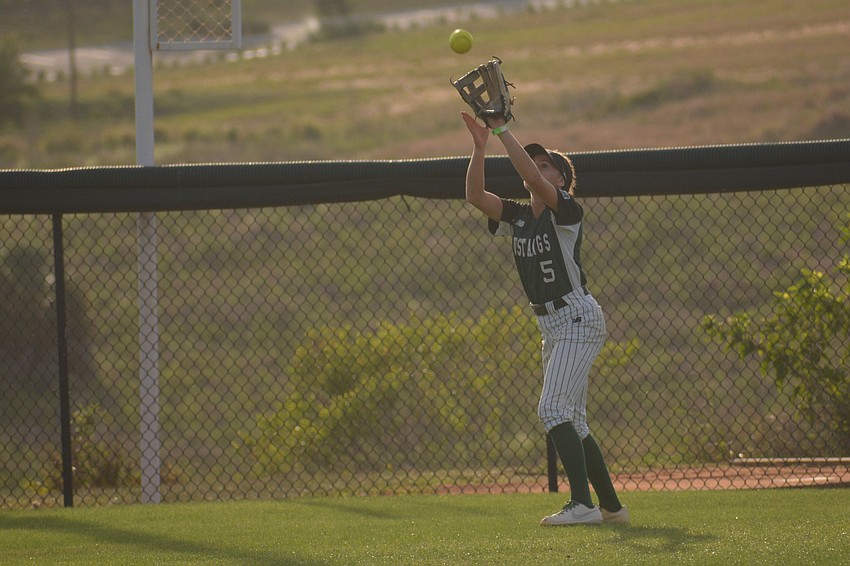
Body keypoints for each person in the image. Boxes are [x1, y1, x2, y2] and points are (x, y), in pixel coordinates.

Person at [460, 110, 629, 526]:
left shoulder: (564, 211)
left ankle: (582, 505)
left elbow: (534, 183)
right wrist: (480, 148)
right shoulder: (519, 217)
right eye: (533, 164)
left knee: (552, 410)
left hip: (576, 316)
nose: (536, 170)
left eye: (545, 165)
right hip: (551, 326)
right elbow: (475, 197)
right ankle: (611, 508)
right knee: (574, 419)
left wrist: (502, 130)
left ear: (559, 181)